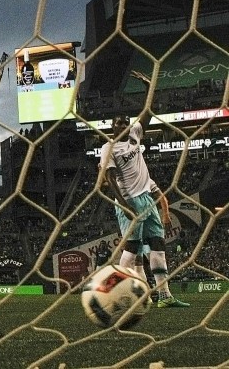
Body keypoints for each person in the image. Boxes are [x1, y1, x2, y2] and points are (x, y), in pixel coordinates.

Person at [100, 71, 189, 308]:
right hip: (129, 201)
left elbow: (148, 113)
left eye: (125, 122)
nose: (123, 125)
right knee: (133, 248)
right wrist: (126, 204)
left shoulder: (135, 136)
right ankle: (108, 291)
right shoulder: (108, 147)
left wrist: (149, 88)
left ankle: (165, 295)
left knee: (157, 245)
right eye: (118, 123)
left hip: (147, 199)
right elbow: (109, 178)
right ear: (111, 127)